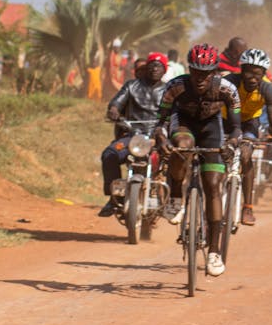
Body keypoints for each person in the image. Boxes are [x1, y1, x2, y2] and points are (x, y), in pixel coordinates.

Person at [154, 44, 242, 277]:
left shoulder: (227, 89)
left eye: (206, 73)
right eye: (195, 72)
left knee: (213, 185)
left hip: (212, 128)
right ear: (189, 69)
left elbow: (235, 129)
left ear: (215, 71)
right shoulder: (175, 87)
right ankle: (175, 196)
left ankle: (214, 252)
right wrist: (162, 139)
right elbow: (160, 123)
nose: (200, 78)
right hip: (183, 124)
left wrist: (231, 145)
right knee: (181, 147)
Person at [98, 52, 168, 217]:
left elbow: (176, 112)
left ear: (165, 70)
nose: (155, 69)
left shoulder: (169, 90)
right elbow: (116, 103)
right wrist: (114, 111)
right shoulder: (131, 86)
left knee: (177, 158)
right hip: (132, 137)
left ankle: (172, 200)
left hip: (158, 138)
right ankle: (114, 197)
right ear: (146, 68)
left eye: (159, 66)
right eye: (152, 65)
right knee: (109, 154)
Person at [225, 48, 272, 225]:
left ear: (264, 74)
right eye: (248, 72)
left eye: (257, 74)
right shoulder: (229, 82)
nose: (252, 77)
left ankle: (248, 207)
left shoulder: (267, 88)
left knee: (245, 155)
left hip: (249, 123)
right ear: (241, 70)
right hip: (224, 120)